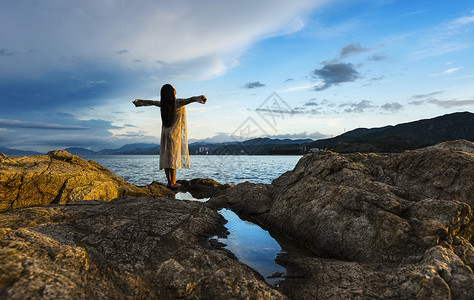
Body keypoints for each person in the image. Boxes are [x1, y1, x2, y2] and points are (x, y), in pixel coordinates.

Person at [133, 84, 206, 189]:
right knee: (173, 158)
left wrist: (138, 102)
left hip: (165, 133)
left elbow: (151, 102)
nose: (175, 89)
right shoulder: (177, 102)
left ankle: (169, 182)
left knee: (167, 157)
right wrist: (201, 98)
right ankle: (172, 182)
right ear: (171, 92)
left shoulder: (163, 104)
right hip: (174, 134)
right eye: (173, 88)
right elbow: (191, 99)